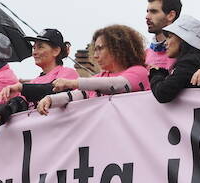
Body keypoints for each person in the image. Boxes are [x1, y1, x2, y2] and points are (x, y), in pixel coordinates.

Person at [21, 25, 149, 129]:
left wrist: (72, 83)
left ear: (118, 48)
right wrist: (50, 99)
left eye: (100, 49)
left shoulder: (139, 72)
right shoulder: (100, 77)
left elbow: (118, 84)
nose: (95, 55)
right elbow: (79, 94)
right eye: (94, 50)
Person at [0, 29, 79, 137]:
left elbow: (53, 89)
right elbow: (18, 103)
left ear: (56, 51)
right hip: (39, 137)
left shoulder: (69, 73)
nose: (35, 52)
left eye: (40, 47)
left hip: (60, 136)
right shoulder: (34, 81)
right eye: (34, 47)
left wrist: (21, 87)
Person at [149, 15, 200, 103]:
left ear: (183, 39)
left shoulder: (189, 62)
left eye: (169, 37)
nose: (165, 43)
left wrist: (155, 74)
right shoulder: (198, 59)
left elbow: (163, 93)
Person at [145, 0, 182, 70]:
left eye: (153, 12)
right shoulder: (144, 55)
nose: (147, 17)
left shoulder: (184, 54)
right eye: (147, 11)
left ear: (171, 15)